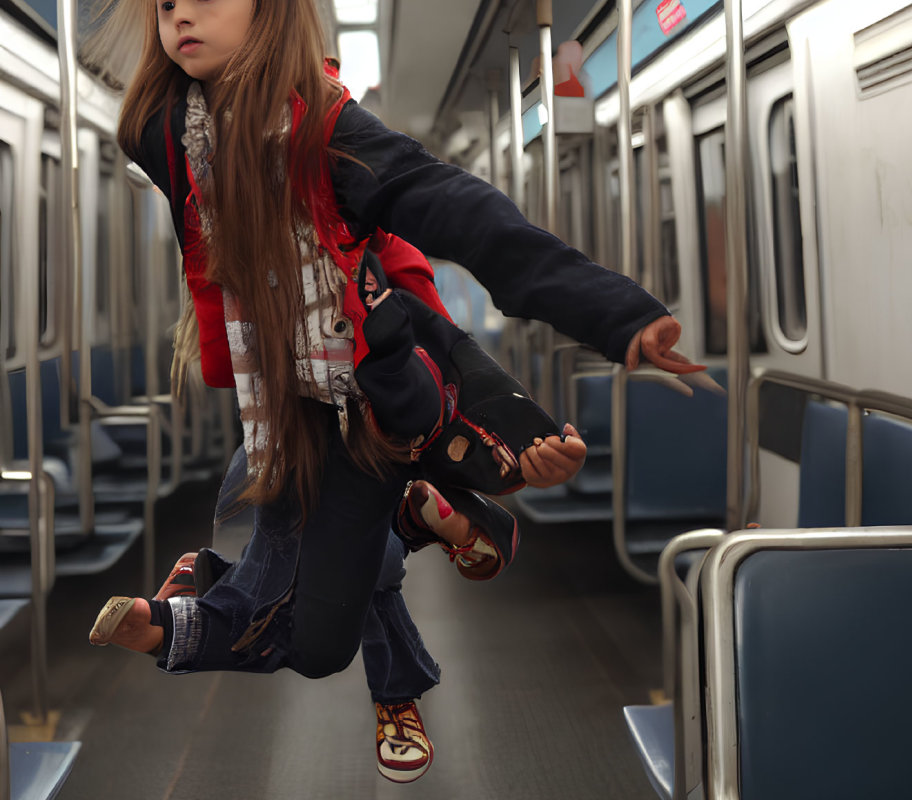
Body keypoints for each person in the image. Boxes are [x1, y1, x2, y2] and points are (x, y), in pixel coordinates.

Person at [84, 0, 707, 784]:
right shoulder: (169, 132)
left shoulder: (334, 135)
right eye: (167, 3)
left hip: (364, 384)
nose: (181, 14)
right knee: (317, 646)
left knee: (325, 619)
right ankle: (406, 521)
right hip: (280, 399)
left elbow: (465, 214)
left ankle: (407, 508)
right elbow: (155, 110)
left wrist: (618, 317)